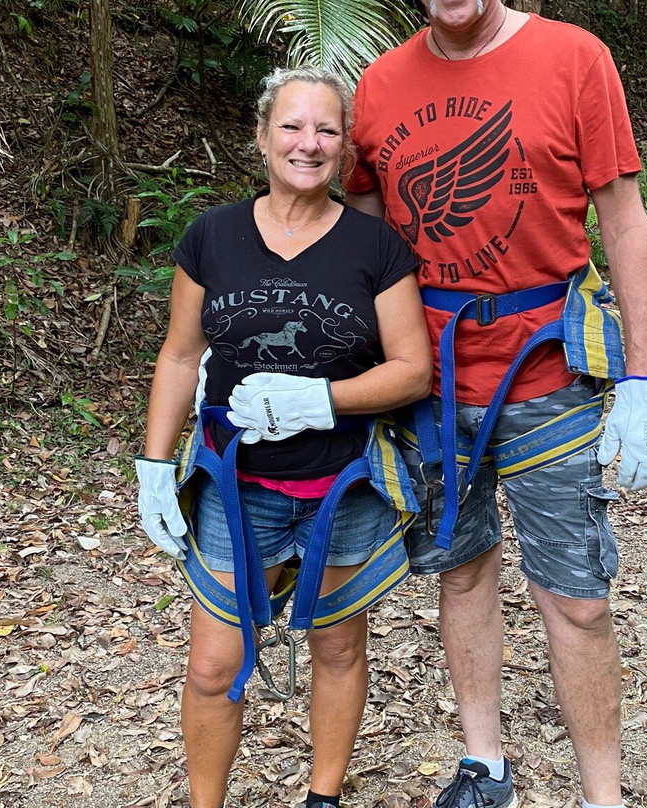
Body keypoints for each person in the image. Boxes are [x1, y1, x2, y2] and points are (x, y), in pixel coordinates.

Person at [344, 4, 647, 808]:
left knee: (576, 598)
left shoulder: (575, 58)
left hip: (546, 373)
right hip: (425, 379)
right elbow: (359, 231)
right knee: (459, 577)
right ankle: (483, 763)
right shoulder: (381, 81)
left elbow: (624, 221)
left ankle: (605, 797)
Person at [135, 66, 433, 808]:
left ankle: (322, 797)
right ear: (263, 137)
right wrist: (152, 463)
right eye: (293, 127)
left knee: (336, 646)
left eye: (327, 129)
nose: (309, 143)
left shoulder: (375, 247)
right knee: (212, 665)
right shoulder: (211, 236)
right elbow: (179, 354)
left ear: (345, 148)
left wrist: (321, 400)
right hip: (238, 488)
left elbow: (412, 371)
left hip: (342, 483)